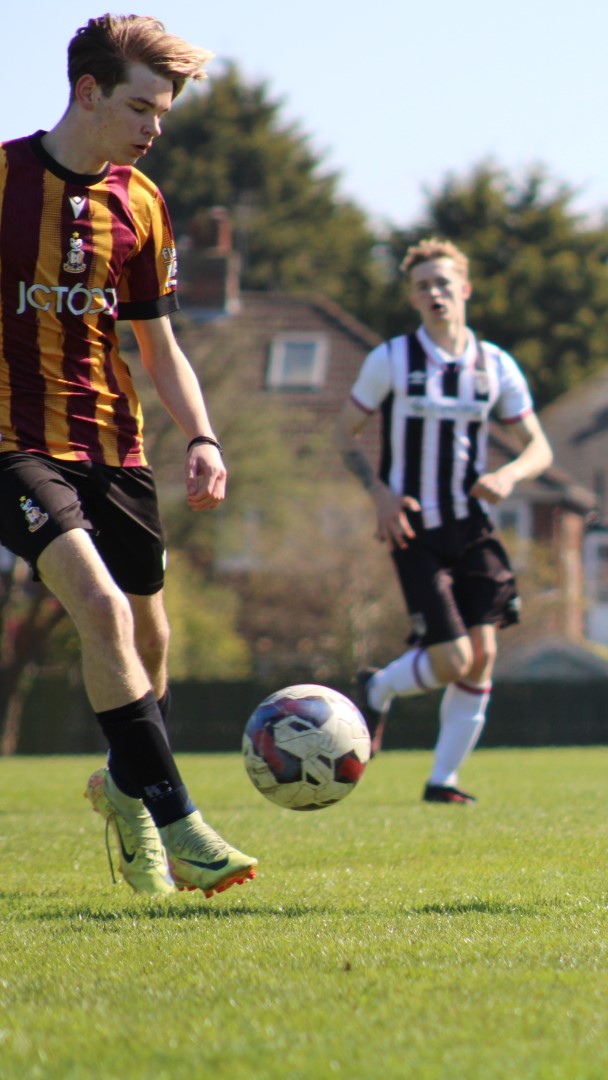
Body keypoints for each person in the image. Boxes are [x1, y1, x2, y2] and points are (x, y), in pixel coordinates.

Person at [0, 15, 257, 897]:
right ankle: (181, 823)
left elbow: (160, 346)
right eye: (141, 108)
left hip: (115, 444)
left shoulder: (141, 203)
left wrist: (204, 435)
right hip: (14, 446)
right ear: (88, 91)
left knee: (151, 636)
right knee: (102, 610)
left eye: (163, 113)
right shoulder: (3, 180)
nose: (155, 128)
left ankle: (125, 792)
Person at [336, 238, 553, 804]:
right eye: (423, 286)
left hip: (472, 526)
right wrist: (379, 493)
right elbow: (344, 433)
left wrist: (509, 475)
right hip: (414, 528)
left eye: (443, 283)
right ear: (412, 298)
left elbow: (539, 448)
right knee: (455, 658)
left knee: (484, 657)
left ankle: (443, 782)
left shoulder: (494, 364)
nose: (435, 293)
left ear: (465, 289)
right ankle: (378, 687)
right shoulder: (391, 359)